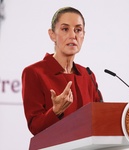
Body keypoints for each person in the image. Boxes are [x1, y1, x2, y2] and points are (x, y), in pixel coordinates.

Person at [21, 6, 103, 136]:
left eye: (78, 30)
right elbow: (35, 127)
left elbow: (101, 119)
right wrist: (56, 111)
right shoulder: (34, 72)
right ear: (52, 34)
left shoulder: (88, 75)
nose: (73, 35)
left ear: (83, 35)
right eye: (65, 29)